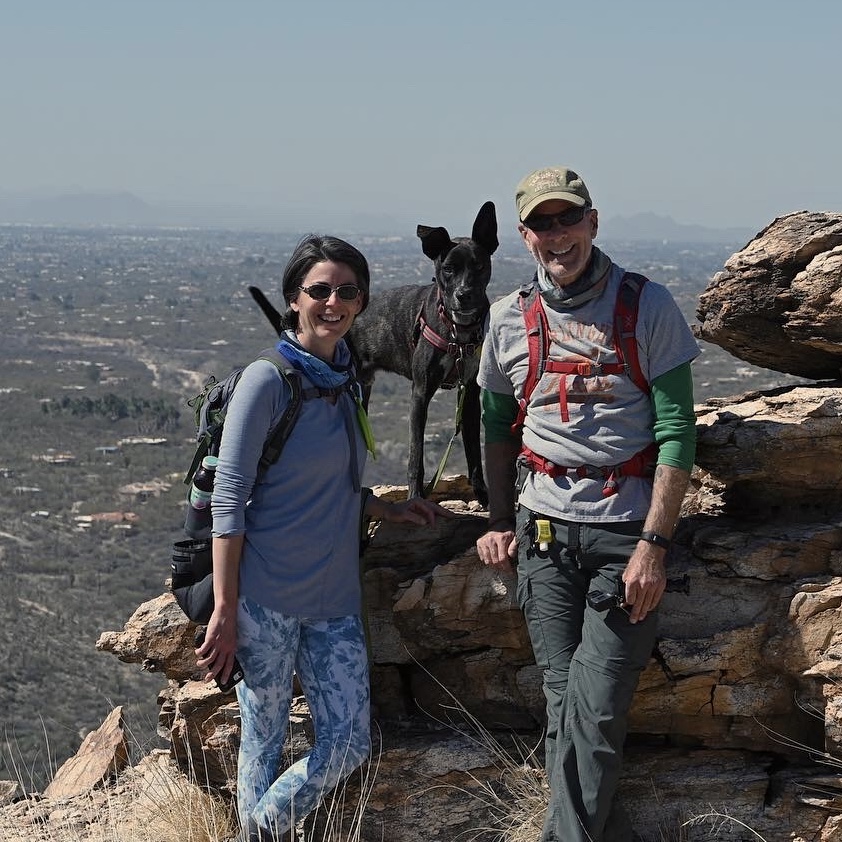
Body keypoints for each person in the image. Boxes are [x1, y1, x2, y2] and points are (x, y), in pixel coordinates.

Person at [196, 233, 451, 842]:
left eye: (347, 291)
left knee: (349, 743)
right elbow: (229, 500)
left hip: (334, 600)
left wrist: (387, 510)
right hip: (265, 599)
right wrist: (226, 609)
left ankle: (248, 833)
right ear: (292, 299)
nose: (333, 302)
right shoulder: (268, 381)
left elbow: (327, 486)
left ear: (362, 302)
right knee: (263, 740)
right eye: (319, 290)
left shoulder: (346, 381)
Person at [475, 167, 699, 842]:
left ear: (593, 222)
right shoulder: (508, 319)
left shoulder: (646, 306)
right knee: (562, 702)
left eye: (568, 219)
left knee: (595, 709)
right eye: (542, 224)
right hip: (542, 538)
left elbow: (677, 430)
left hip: (623, 541)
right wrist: (494, 521)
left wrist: (653, 546)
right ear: (524, 236)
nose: (558, 235)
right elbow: (492, 425)